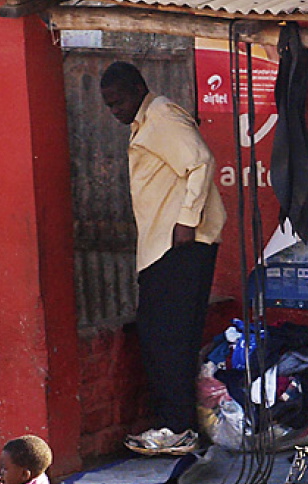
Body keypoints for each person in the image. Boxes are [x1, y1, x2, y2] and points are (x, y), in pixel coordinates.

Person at [100, 61, 227, 455]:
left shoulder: (162, 117)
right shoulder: (146, 121)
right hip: (161, 247)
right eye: (109, 105)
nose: (115, 111)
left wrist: (186, 220)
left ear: (139, 88)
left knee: (167, 338)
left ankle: (176, 427)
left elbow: (201, 162)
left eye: (119, 101)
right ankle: (179, 425)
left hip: (178, 246)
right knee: (163, 337)